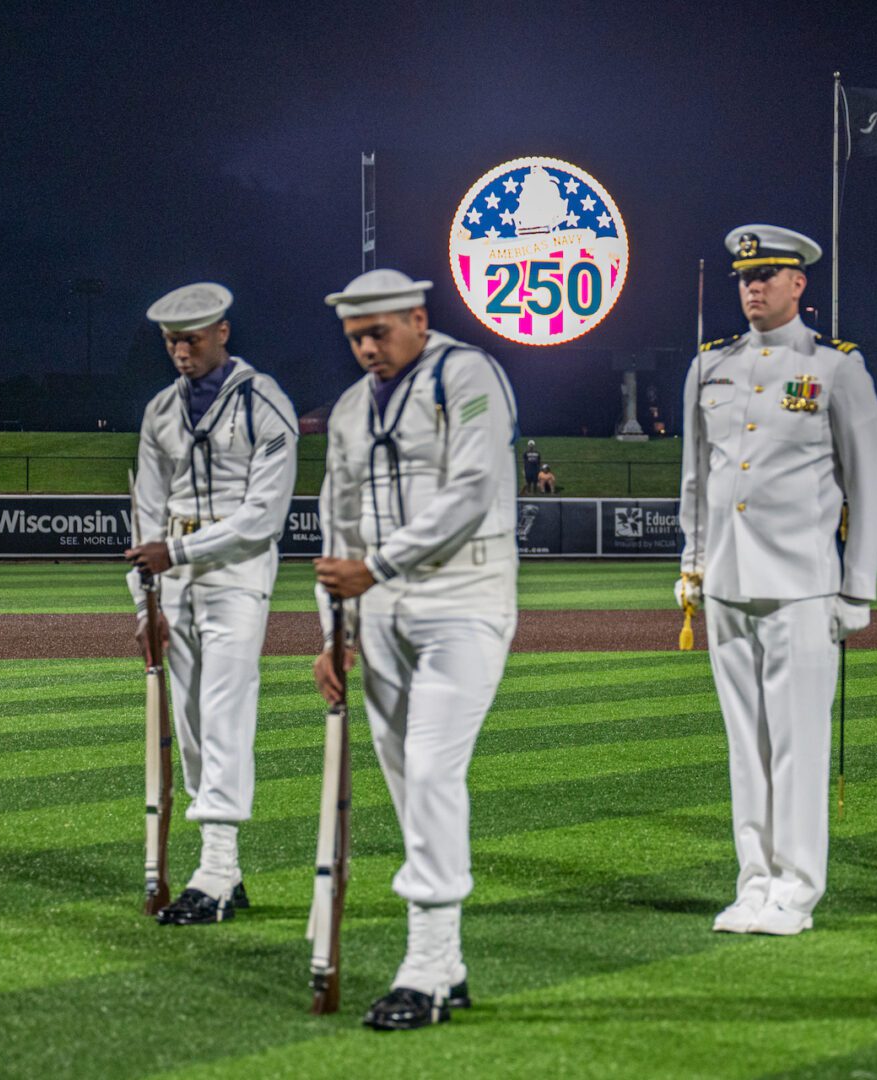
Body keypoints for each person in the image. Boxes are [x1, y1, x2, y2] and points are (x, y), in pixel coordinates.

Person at [311, 268, 519, 1030]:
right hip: (379, 608)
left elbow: (472, 488)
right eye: (354, 337)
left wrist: (380, 566)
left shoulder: (466, 374)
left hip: (464, 599)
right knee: (406, 780)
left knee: (433, 768)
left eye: (379, 332)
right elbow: (338, 524)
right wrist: (329, 633)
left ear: (418, 318)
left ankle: (426, 966)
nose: (367, 348)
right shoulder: (347, 409)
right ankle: (447, 959)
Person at [677, 224, 877, 936]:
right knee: (747, 747)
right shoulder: (709, 366)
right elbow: (697, 478)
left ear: (800, 283)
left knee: (798, 744)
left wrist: (859, 586)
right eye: (745, 277)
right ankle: (754, 882)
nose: (753, 287)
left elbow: (870, 481)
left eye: (768, 275)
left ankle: (796, 890)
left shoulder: (836, 368)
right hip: (728, 580)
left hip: (802, 581)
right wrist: (692, 560)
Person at [123, 282, 299, 925]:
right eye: (171, 340)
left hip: (235, 572)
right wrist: (146, 608)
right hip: (173, 577)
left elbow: (262, 518)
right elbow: (146, 511)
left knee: (224, 711)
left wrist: (180, 555)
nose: (180, 350)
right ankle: (221, 864)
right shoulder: (160, 411)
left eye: (192, 338)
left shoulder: (263, 401)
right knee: (192, 722)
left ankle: (217, 871)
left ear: (223, 333)